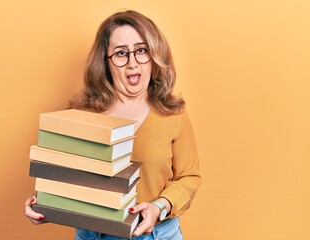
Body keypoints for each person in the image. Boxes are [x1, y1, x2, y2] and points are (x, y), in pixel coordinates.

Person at [24, 10, 201, 240]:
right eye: (121, 53)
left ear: (154, 55)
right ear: (106, 62)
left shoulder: (173, 114)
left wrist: (159, 207)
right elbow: (67, 177)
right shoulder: (83, 115)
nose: (132, 63)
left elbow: (190, 177)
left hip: (158, 234)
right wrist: (45, 203)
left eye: (141, 50)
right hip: (95, 235)